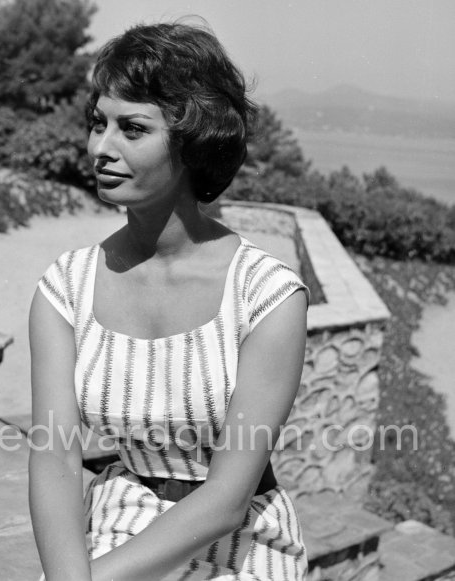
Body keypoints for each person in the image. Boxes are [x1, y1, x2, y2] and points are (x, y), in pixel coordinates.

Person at [29, 21, 309, 581]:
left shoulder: (265, 295)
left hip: (241, 543)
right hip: (118, 517)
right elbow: (55, 457)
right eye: (98, 123)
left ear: (193, 141)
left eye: (132, 129)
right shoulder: (65, 288)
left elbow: (228, 498)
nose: (101, 148)